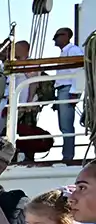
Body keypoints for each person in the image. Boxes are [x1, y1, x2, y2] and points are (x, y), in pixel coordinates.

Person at [53, 28, 85, 162]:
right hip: (63, 90)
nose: (54, 38)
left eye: (57, 35)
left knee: (66, 126)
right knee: (63, 125)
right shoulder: (65, 52)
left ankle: (68, 156)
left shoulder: (73, 51)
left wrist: (75, 93)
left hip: (68, 90)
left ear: (66, 36)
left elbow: (80, 71)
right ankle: (67, 154)